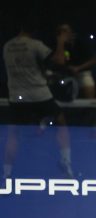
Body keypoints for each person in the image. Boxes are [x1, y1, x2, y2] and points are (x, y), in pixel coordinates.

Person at [3, 17, 73, 179]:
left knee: (13, 135)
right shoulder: (35, 45)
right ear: (34, 31)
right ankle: (66, 161)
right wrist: (61, 41)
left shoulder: (7, 46)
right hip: (39, 95)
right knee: (61, 121)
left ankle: (6, 173)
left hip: (16, 97)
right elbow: (60, 61)